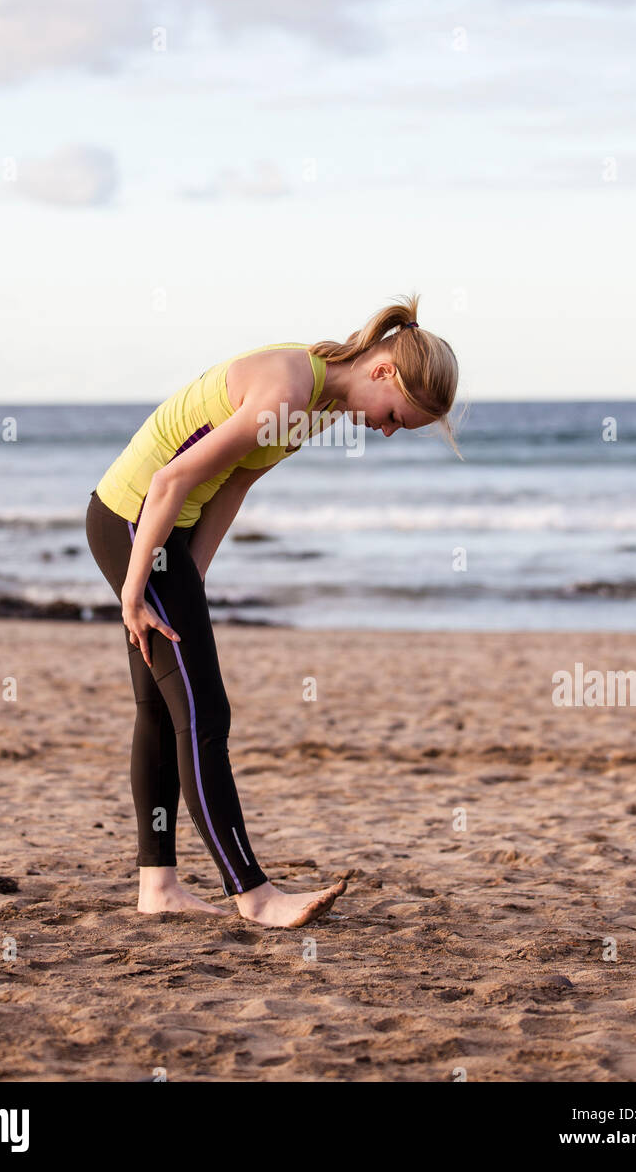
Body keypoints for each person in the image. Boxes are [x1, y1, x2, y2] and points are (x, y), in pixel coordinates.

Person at [85, 292, 461, 928]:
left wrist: (192, 581)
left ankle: (158, 887)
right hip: (134, 522)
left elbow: (236, 482)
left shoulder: (317, 404)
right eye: (396, 415)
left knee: (160, 707)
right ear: (382, 371)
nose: (389, 430)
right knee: (205, 711)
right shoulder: (291, 387)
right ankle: (253, 896)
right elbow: (169, 482)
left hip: (163, 535)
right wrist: (136, 585)